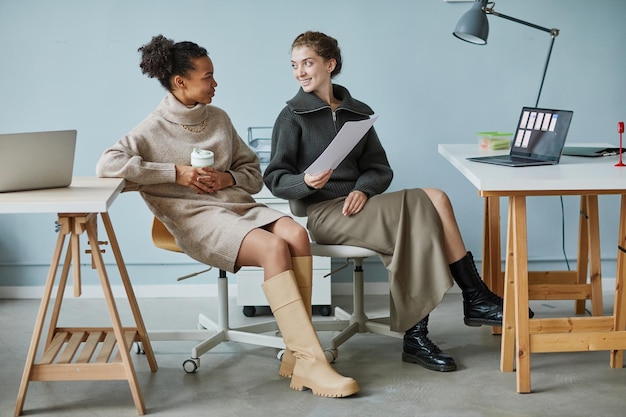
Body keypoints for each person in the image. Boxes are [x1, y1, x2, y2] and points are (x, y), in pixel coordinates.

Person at [96, 34, 359, 398]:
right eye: (207, 76)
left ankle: (301, 356)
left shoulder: (218, 118)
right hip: (195, 220)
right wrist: (176, 173)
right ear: (180, 82)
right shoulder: (152, 129)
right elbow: (107, 166)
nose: (215, 83)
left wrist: (228, 177)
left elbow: (253, 173)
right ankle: (311, 362)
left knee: (297, 236)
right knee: (272, 249)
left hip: (239, 206)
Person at [264, 31, 533, 373]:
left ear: (329, 65)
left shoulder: (357, 112)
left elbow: (379, 168)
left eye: (308, 63)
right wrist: (304, 181)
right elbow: (274, 178)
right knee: (425, 205)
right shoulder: (291, 116)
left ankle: (430, 328)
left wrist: (363, 188)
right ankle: (467, 302)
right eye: (294, 65)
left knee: (432, 201)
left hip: (362, 205)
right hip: (326, 214)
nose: (300, 72)